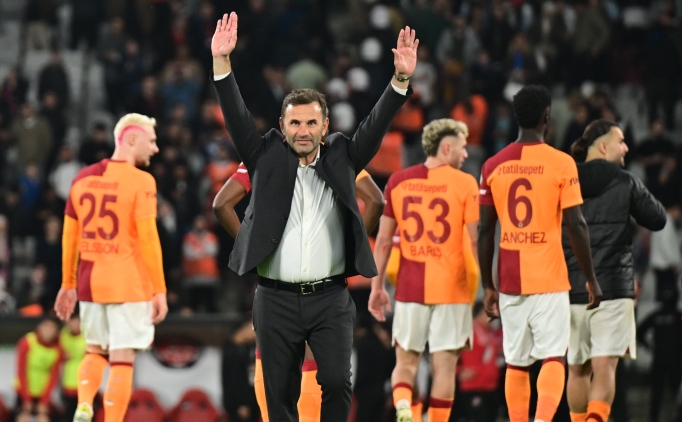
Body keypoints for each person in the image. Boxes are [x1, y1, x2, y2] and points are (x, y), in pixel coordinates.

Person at [210, 12, 417, 421]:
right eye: (294, 123)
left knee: (337, 382)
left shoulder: (343, 155)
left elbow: (375, 125)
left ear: (325, 126)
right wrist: (221, 64)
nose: (302, 131)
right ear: (282, 126)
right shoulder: (264, 156)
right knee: (279, 393)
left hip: (330, 298)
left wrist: (399, 81)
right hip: (274, 297)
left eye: (310, 123)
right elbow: (236, 116)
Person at [212, 163, 385, 422]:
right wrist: (350, 253)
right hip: (322, 282)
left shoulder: (262, 155)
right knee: (320, 368)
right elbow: (375, 200)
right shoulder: (337, 155)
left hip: (276, 283)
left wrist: (252, 250)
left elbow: (222, 204)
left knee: (273, 365)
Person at [477, 85, 602, 422]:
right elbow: (576, 224)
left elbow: (485, 230)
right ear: (547, 117)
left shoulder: (492, 165)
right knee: (553, 357)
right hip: (549, 277)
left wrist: (488, 285)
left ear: (516, 117)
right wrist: (590, 278)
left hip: (510, 279)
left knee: (516, 362)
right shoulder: (562, 163)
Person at [53, 113, 168, 422]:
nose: (155, 148)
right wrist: (159, 290)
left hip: (91, 284)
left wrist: (68, 284)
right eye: (151, 141)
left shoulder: (82, 178)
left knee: (94, 352)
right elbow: (149, 239)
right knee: (122, 359)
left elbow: (69, 237)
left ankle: (84, 404)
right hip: (129, 284)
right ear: (132, 139)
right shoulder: (142, 181)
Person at [369, 119, 478, 422]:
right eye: (462, 147)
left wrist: (377, 287)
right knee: (444, 367)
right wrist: (490, 286)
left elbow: (383, 242)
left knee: (405, 363)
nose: (465, 154)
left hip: (410, 287)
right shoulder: (465, 183)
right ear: (446, 147)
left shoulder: (398, 181)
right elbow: (476, 239)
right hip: (452, 289)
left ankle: (405, 407)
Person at [563, 119, 666, 422]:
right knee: (605, 365)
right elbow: (658, 218)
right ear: (603, 146)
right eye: (620, 141)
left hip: (572, 289)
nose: (626, 147)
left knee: (577, 369)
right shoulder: (624, 180)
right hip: (613, 288)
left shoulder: (564, 179)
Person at [450, 302, 503, 422]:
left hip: (491, 386)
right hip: (473, 386)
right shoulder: (469, 331)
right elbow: (450, 353)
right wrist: (457, 372)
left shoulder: (490, 333)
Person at [637, 289, 682, 422]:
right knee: (676, 391)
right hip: (674, 360)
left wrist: (649, 346)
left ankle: (654, 418)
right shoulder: (678, 316)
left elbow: (639, 331)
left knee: (657, 392)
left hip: (660, 359)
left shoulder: (657, 316)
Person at [13, 316, 64, 422]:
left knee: (44, 418)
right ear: (38, 327)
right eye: (45, 326)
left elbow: (54, 374)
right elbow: (21, 371)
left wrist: (44, 401)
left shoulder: (58, 348)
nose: (48, 330)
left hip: (43, 392)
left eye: (52, 327)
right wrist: (26, 399)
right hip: (23, 390)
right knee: (22, 418)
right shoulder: (27, 341)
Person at [60, 314, 87, 421]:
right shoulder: (63, 336)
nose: (73, 324)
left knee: (86, 412)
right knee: (70, 412)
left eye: (76, 321)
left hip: (86, 379)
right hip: (68, 381)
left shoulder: (88, 334)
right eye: (71, 321)